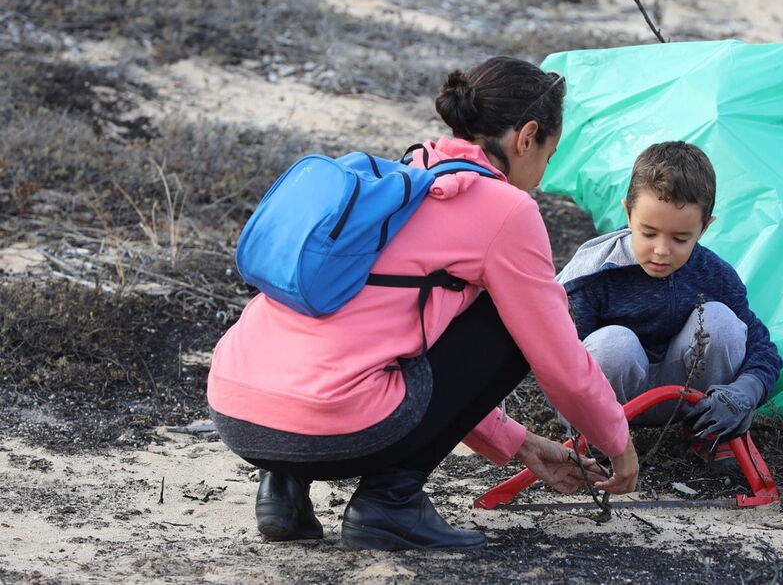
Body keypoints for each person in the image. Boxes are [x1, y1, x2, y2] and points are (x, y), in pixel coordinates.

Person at [207, 56, 639, 552]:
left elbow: (420, 356)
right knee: (518, 321)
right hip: (328, 426)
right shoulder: (506, 210)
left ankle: (283, 490)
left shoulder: (403, 176)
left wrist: (519, 444)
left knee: (362, 325)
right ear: (527, 137)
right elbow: (559, 362)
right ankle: (389, 502)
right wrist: (617, 441)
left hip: (236, 410)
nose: (542, 173)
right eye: (548, 154)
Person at [556, 141, 782, 463]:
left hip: (690, 399)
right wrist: (573, 416)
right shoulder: (593, 274)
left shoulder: (715, 275)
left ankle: (708, 436)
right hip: (614, 399)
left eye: (680, 239)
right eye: (648, 233)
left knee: (722, 322)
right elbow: (556, 360)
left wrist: (747, 390)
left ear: (704, 228)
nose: (662, 250)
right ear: (628, 213)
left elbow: (762, 348)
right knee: (613, 344)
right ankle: (597, 444)